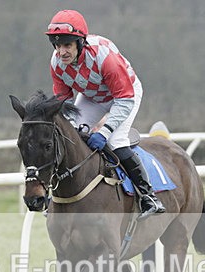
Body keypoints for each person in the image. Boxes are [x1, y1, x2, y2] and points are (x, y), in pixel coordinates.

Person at [46, 9, 165, 219]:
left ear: (80, 43)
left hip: (124, 95)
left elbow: (125, 97)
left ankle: (148, 196)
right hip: (92, 97)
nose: (61, 51)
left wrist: (104, 131)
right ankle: (57, 197)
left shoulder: (104, 58)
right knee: (70, 138)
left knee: (116, 140)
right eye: (57, 45)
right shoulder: (56, 64)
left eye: (67, 45)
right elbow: (63, 100)